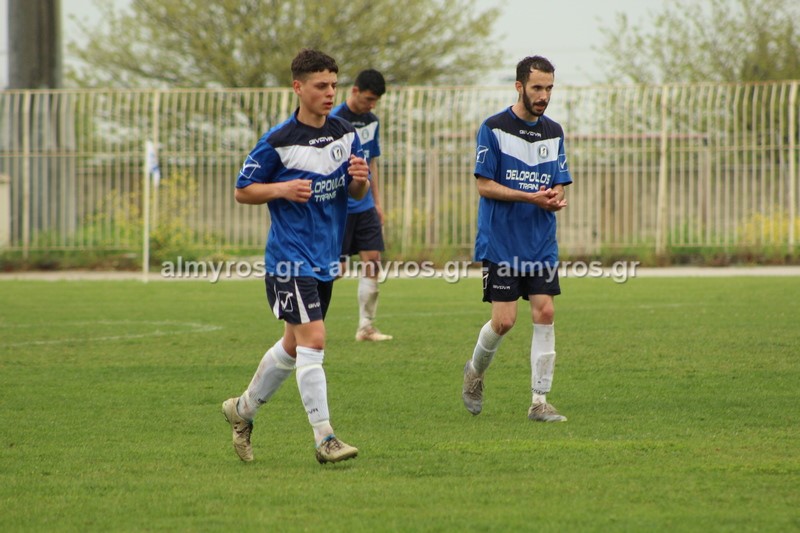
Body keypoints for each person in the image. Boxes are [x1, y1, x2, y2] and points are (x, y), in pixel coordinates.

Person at [222, 49, 370, 464]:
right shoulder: (277, 141)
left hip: (325, 258)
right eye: (321, 86)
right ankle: (325, 439)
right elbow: (243, 190)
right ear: (298, 88)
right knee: (315, 340)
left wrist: (360, 182)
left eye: (334, 85)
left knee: (293, 345)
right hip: (288, 259)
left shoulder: (346, 133)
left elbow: (355, 191)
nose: (330, 93)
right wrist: (282, 189)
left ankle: (242, 410)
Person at [462, 55, 572, 422]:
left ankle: (539, 401)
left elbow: (559, 180)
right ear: (519, 86)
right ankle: (475, 371)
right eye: (537, 88)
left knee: (546, 311)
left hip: (540, 241)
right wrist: (530, 197)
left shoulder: (554, 132)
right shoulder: (493, 128)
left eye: (549, 88)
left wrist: (554, 196)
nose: (544, 96)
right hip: (502, 242)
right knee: (504, 321)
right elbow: (484, 185)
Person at [331, 69, 392, 342]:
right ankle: (304, 315)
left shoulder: (372, 122)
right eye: (368, 99)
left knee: (373, 262)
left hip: (365, 205)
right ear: (354, 91)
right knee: (336, 270)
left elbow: (371, 164)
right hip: (339, 207)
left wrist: (377, 203)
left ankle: (366, 327)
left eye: (375, 100)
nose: (372, 105)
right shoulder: (333, 120)